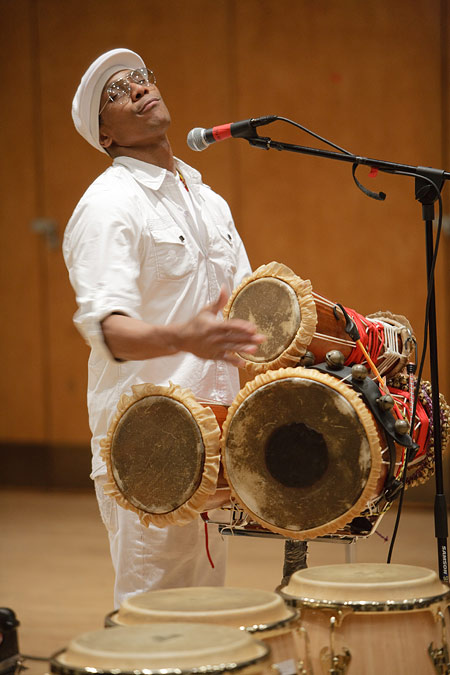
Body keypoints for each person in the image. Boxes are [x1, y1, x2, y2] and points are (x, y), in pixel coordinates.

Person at [63, 48, 264, 608]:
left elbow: (246, 309)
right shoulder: (108, 205)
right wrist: (182, 337)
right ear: (105, 135)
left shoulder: (208, 201)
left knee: (201, 609)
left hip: (214, 439)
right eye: (117, 91)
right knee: (154, 617)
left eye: (141, 78)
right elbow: (108, 329)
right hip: (147, 447)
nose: (137, 88)